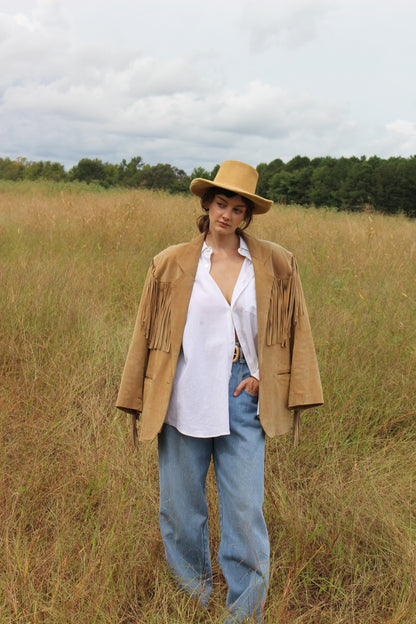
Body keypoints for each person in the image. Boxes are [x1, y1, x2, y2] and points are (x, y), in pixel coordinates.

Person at [116, 160, 323, 622]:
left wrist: (266, 374)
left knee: (245, 510)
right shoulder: (170, 263)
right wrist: (137, 394)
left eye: (238, 208)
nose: (227, 215)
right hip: (183, 392)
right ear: (206, 204)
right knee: (180, 508)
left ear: (248, 216)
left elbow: (294, 329)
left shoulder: (275, 262)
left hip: (243, 395)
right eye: (221, 203)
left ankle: (244, 613)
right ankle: (192, 598)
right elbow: (145, 334)